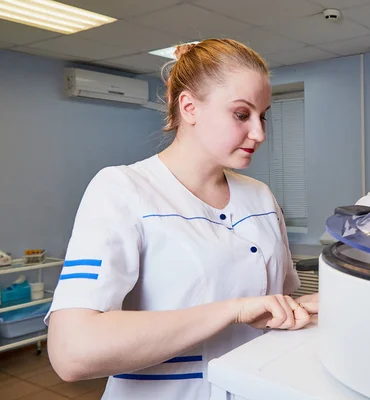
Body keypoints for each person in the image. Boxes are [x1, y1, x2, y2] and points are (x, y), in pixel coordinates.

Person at [45, 39, 318, 400]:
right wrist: (232, 311)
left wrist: (302, 309)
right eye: (241, 114)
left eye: (263, 115)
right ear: (189, 107)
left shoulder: (260, 196)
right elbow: (72, 352)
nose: (259, 133)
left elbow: (273, 304)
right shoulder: (123, 189)